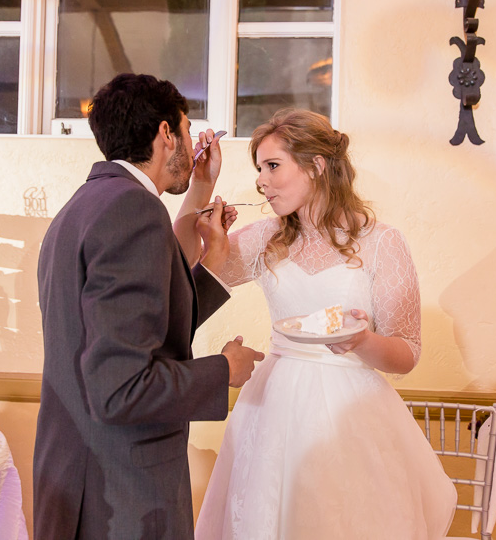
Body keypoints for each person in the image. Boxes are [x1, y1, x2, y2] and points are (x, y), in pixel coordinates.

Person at [194, 109, 457, 539]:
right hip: (273, 410)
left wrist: (363, 341)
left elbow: (407, 352)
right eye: (259, 169)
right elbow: (190, 290)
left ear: (317, 166)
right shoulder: (265, 237)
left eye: (273, 166)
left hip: (353, 415)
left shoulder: (381, 242)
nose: (261, 180)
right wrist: (209, 241)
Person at [33, 73, 265, 540]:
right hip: (120, 491)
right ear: (166, 134)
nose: (189, 142)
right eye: (185, 129)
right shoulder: (133, 213)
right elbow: (122, 387)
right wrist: (225, 369)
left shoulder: (84, 207)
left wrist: (202, 199)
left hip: (78, 471)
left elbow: (145, 322)